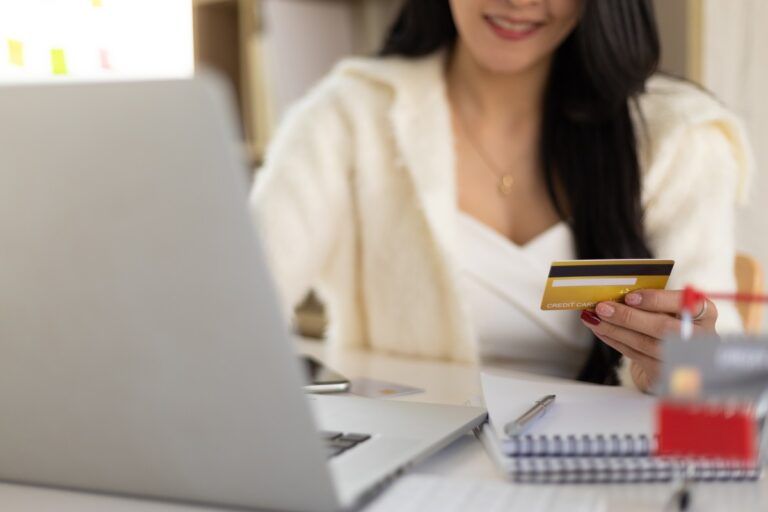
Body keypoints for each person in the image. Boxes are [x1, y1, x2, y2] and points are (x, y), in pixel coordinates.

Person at [250, 0, 752, 392]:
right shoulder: (347, 114)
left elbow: (715, 374)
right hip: (403, 469)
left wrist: (670, 371)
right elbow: (239, 303)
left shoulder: (679, 136)